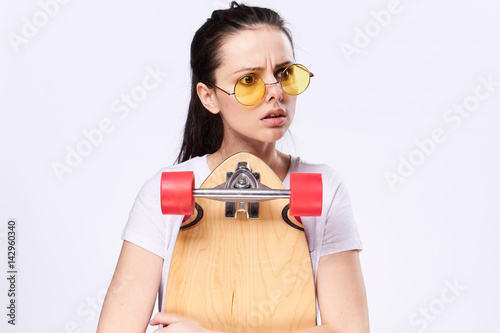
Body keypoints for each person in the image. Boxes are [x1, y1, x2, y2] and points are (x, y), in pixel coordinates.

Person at [97, 2, 369, 332]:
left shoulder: (323, 187)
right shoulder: (164, 192)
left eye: (285, 73)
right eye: (249, 80)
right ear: (209, 96)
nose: (276, 93)